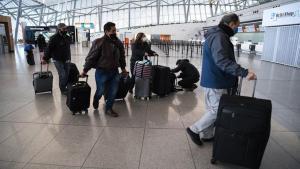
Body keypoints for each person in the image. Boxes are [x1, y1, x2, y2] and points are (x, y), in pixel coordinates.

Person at [186, 13, 257, 146]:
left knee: (211, 109)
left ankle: (207, 135)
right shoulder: (220, 37)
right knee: (217, 109)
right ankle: (194, 129)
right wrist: (244, 72)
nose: (237, 29)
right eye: (237, 26)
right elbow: (222, 60)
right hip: (216, 80)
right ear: (231, 24)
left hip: (212, 78)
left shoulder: (216, 35)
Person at [80, 22, 127, 117]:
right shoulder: (99, 42)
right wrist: (85, 70)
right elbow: (91, 57)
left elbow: (121, 57)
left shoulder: (118, 43)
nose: (115, 32)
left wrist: (123, 69)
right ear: (106, 31)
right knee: (100, 91)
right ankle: (96, 98)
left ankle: (109, 109)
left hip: (114, 71)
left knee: (113, 91)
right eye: (113, 31)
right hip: (102, 71)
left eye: (115, 30)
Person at [42, 23, 71, 95]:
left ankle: (65, 86)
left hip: (66, 59)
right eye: (63, 29)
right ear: (59, 29)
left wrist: (69, 58)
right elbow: (49, 49)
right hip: (57, 59)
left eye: (66, 28)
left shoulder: (67, 37)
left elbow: (68, 49)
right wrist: (45, 58)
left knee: (67, 74)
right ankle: (63, 89)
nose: (65, 30)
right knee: (62, 74)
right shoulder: (54, 38)